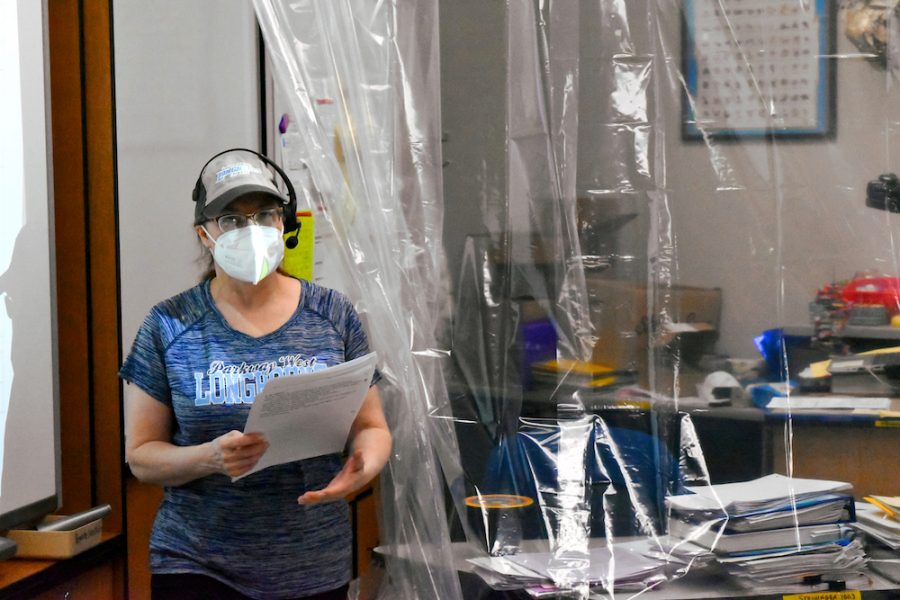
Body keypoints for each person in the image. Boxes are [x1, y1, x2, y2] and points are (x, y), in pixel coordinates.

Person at [120, 149, 392, 600]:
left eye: (264, 214)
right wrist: (208, 457)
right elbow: (142, 456)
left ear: (283, 223)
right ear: (204, 234)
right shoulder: (169, 324)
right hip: (197, 563)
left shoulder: (331, 314)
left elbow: (372, 426)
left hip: (313, 562)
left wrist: (364, 465)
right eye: (231, 219)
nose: (251, 230)